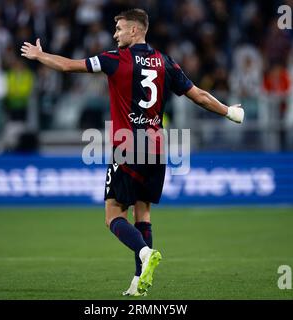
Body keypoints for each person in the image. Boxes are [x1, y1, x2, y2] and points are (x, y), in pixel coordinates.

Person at [21, 8, 244, 296]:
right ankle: (139, 282)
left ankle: (143, 252)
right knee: (144, 213)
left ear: (136, 31)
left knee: (112, 214)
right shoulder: (165, 62)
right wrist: (229, 112)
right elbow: (199, 96)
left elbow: (68, 66)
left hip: (127, 146)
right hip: (157, 147)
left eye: (119, 29)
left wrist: (41, 56)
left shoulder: (114, 60)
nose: (115, 35)